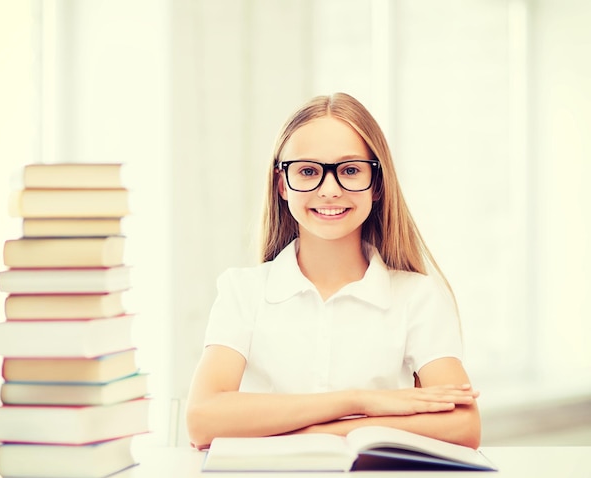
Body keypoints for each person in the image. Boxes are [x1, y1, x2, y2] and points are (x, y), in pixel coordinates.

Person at [186, 92, 481, 451]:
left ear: (377, 185)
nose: (329, 190)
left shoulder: (417, 297)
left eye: (350, 170)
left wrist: (300, 432)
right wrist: (357, 402)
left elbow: (464, 426)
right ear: (281, 184)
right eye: (308, 171)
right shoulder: (242, 291)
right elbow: (202, 420)